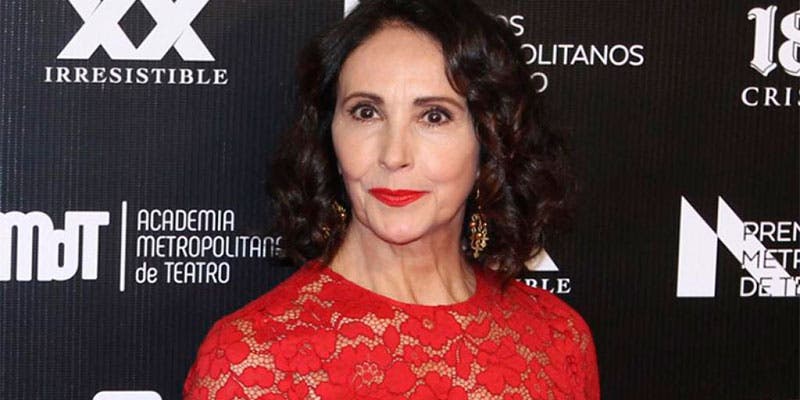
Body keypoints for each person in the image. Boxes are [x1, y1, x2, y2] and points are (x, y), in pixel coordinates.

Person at [183, 0, 600, 398]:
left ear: (490, 142)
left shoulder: (558, 340)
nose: (393, 155)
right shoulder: (249, 362)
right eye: (366, 112)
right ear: (330, 138)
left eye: (434, 116)